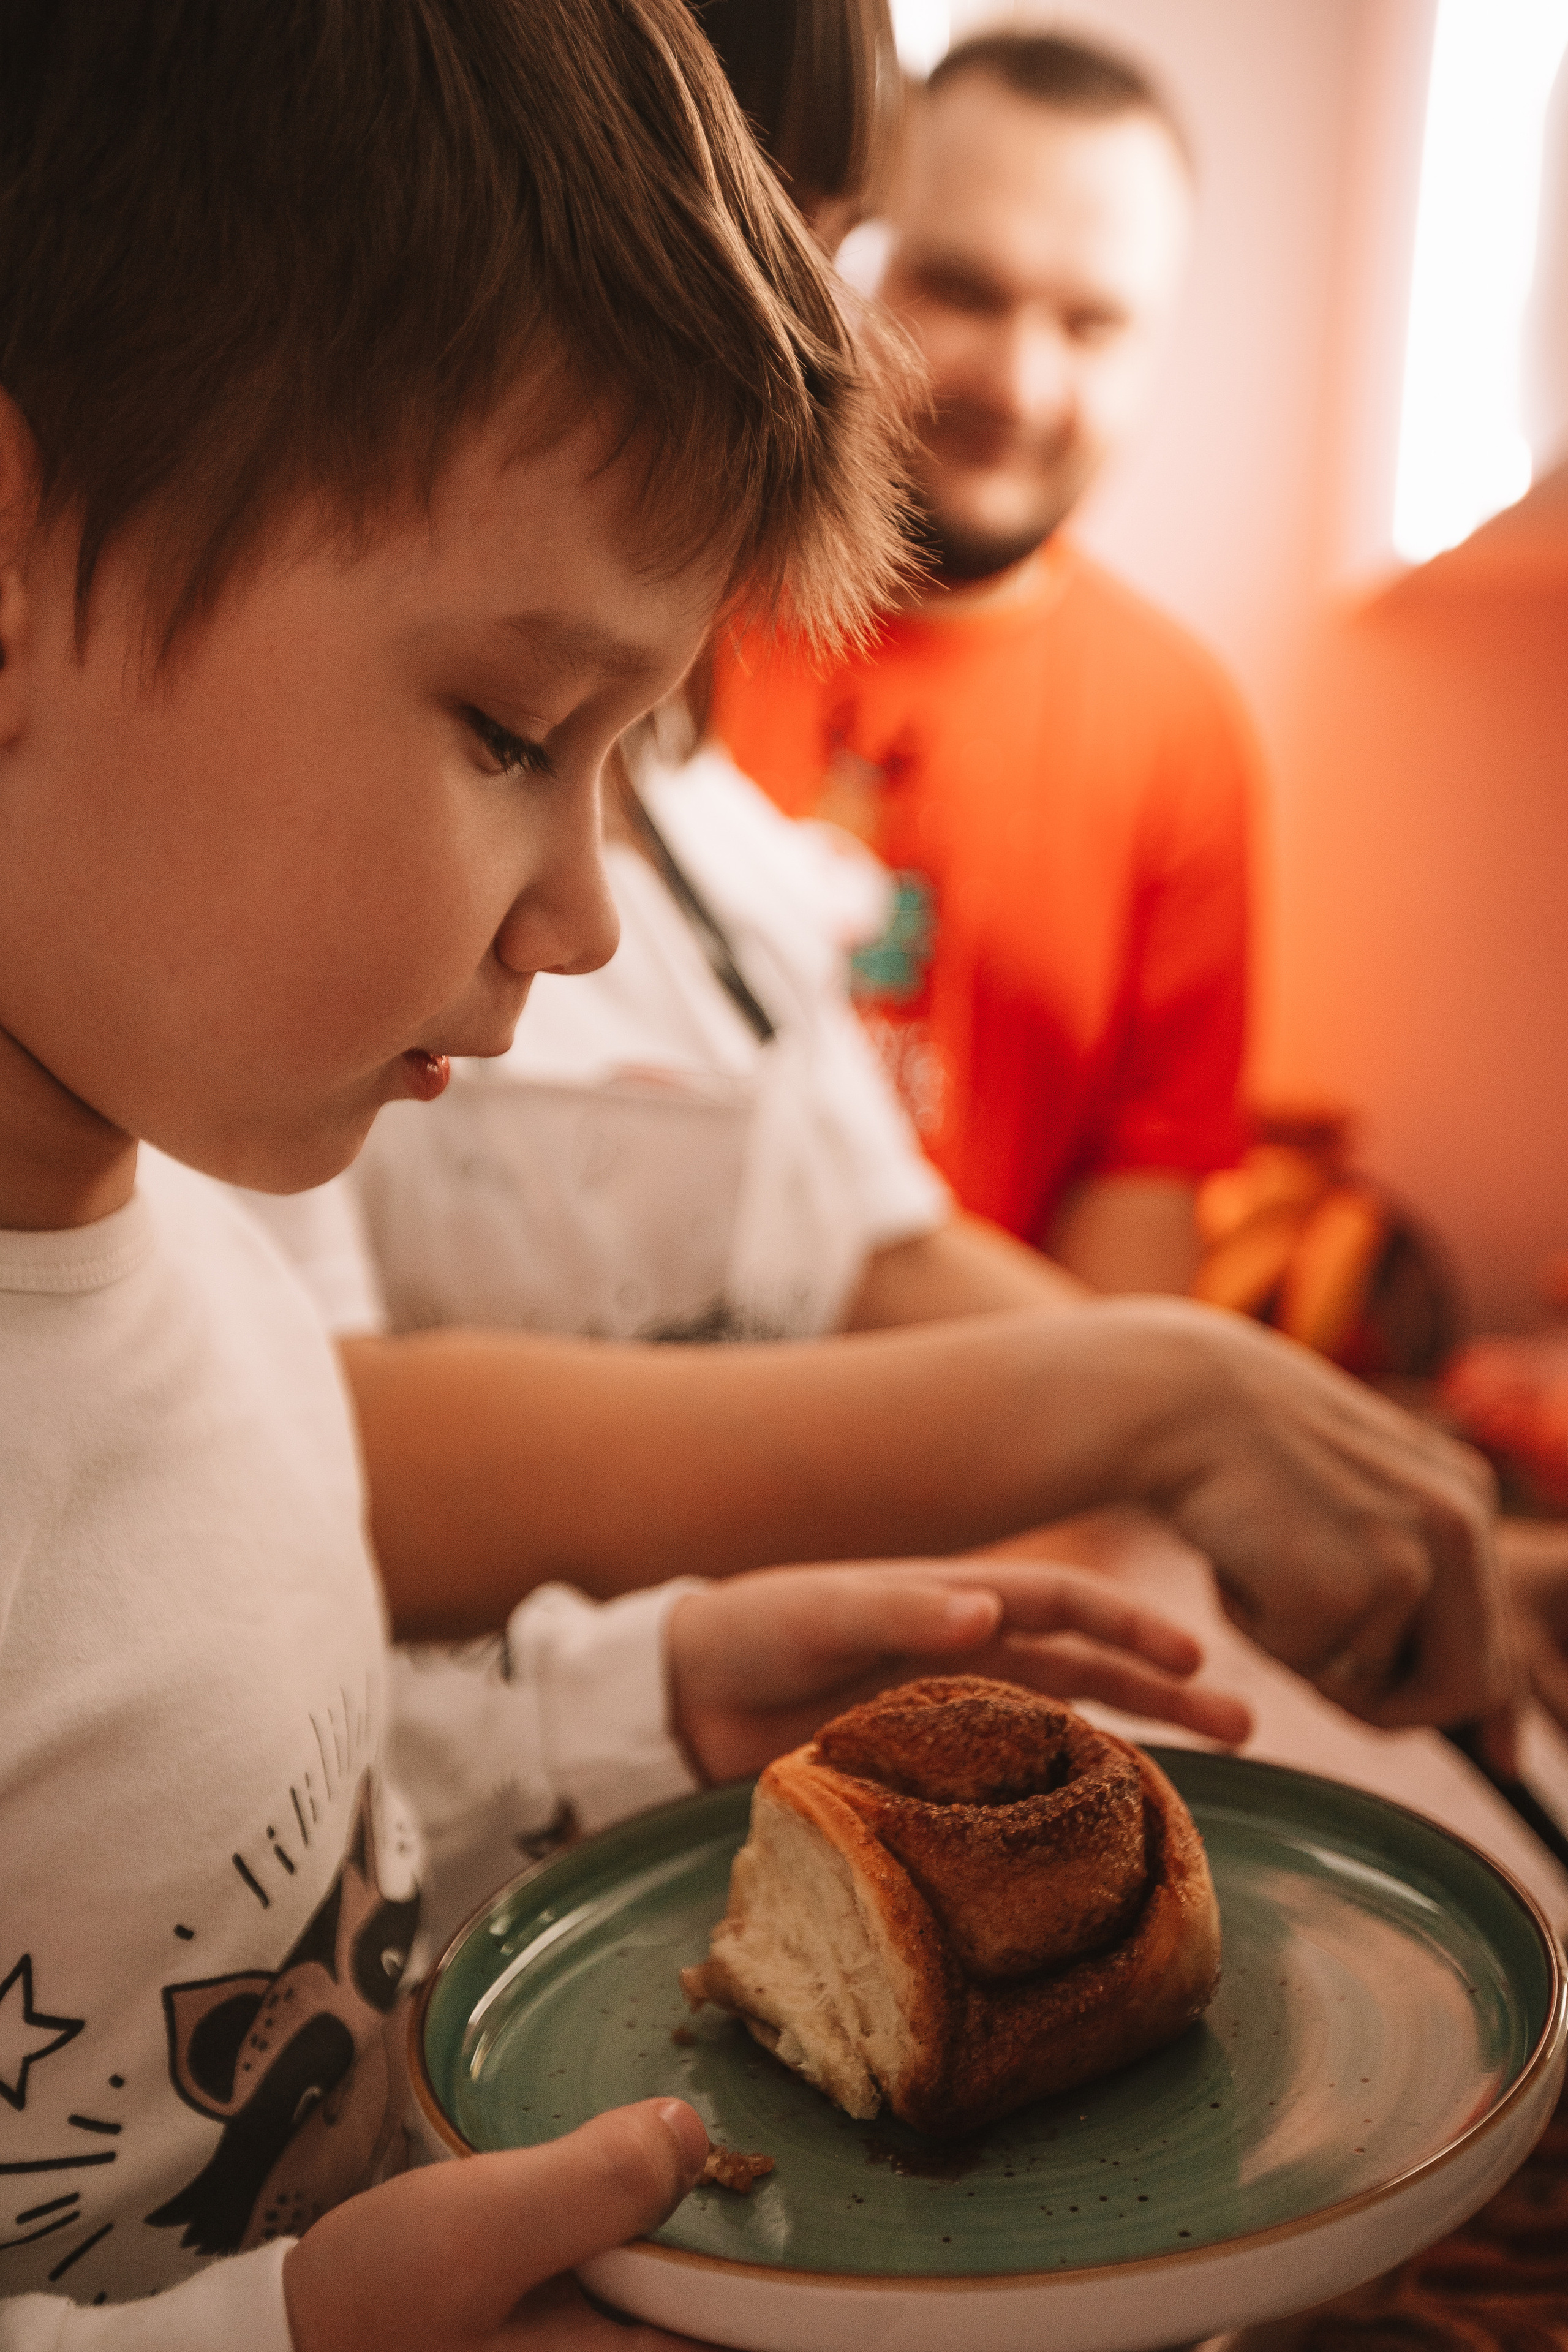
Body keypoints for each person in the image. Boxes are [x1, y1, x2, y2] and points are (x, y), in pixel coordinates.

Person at [0, 6, 1251, 2346]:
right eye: (506, 729)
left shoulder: (197, 1265)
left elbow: (235, 1864)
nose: (578, 918)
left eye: (618, 759)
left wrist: (628, 1705)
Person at [712, 26, 1259, 1297]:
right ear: (850, 261)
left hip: (981, 1473)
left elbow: (1129, 1279)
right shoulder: (659, 607)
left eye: (1090, 323)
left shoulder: (1179, 733)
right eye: (959, 290)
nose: (1017, 378)